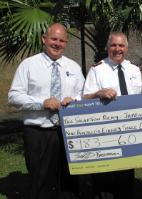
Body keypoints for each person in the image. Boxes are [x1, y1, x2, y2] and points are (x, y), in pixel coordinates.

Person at [8, 23, 85, 199]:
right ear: (44, 39)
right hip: (38, 132)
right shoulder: (28, 65)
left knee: (69, 179)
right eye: (53, 39)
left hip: (68, 132)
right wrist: (41, 103)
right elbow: (13, 96)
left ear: (66, 42)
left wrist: (74, 101)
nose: (57, 43)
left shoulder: (73, 67)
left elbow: (83, 95)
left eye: (61, 40)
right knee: (40, 180)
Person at [83, 32, 142, 199]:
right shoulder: (97, 70)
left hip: (130, 131)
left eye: (121, 45)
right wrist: (99, 93)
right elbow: (84, 98)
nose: (118, 49)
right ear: (107, 47)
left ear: (127, 48)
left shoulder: (134, 70)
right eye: (113, 45)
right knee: (104, 179)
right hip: (105, 133)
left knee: (126, 177)